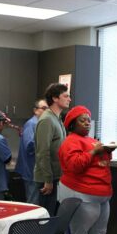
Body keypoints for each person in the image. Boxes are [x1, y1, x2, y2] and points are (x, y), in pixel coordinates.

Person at [58, 105, 113, 234]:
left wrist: (107, 151)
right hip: (83, 194)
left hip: (103, 195)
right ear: (72, 124)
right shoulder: (70, 141)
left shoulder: (91, 140)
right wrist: (95, 151)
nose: (88, 123)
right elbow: (75, 165)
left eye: (89, 120)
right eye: (83, 120)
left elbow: (99, 162)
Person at [34, 83, 71, 216]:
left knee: (51, 218)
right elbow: (42, 152)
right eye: (66, 96)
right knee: (44, 219)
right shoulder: (47, 120)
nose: (69, 99)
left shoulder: (57, 119)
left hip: (56, 177)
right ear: (55, 98)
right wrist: (48, 179)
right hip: (47, 180)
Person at [15, 99, 48, 204]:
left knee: (37, 202)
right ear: (35, 110)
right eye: (43, 108)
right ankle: (31, 221)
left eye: (47, 109)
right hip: (31, 171)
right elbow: (29, 146)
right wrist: (47, 142)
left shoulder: (40, 124)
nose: (46, 111)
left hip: (37, 171)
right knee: (33, 203)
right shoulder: (32, 124)